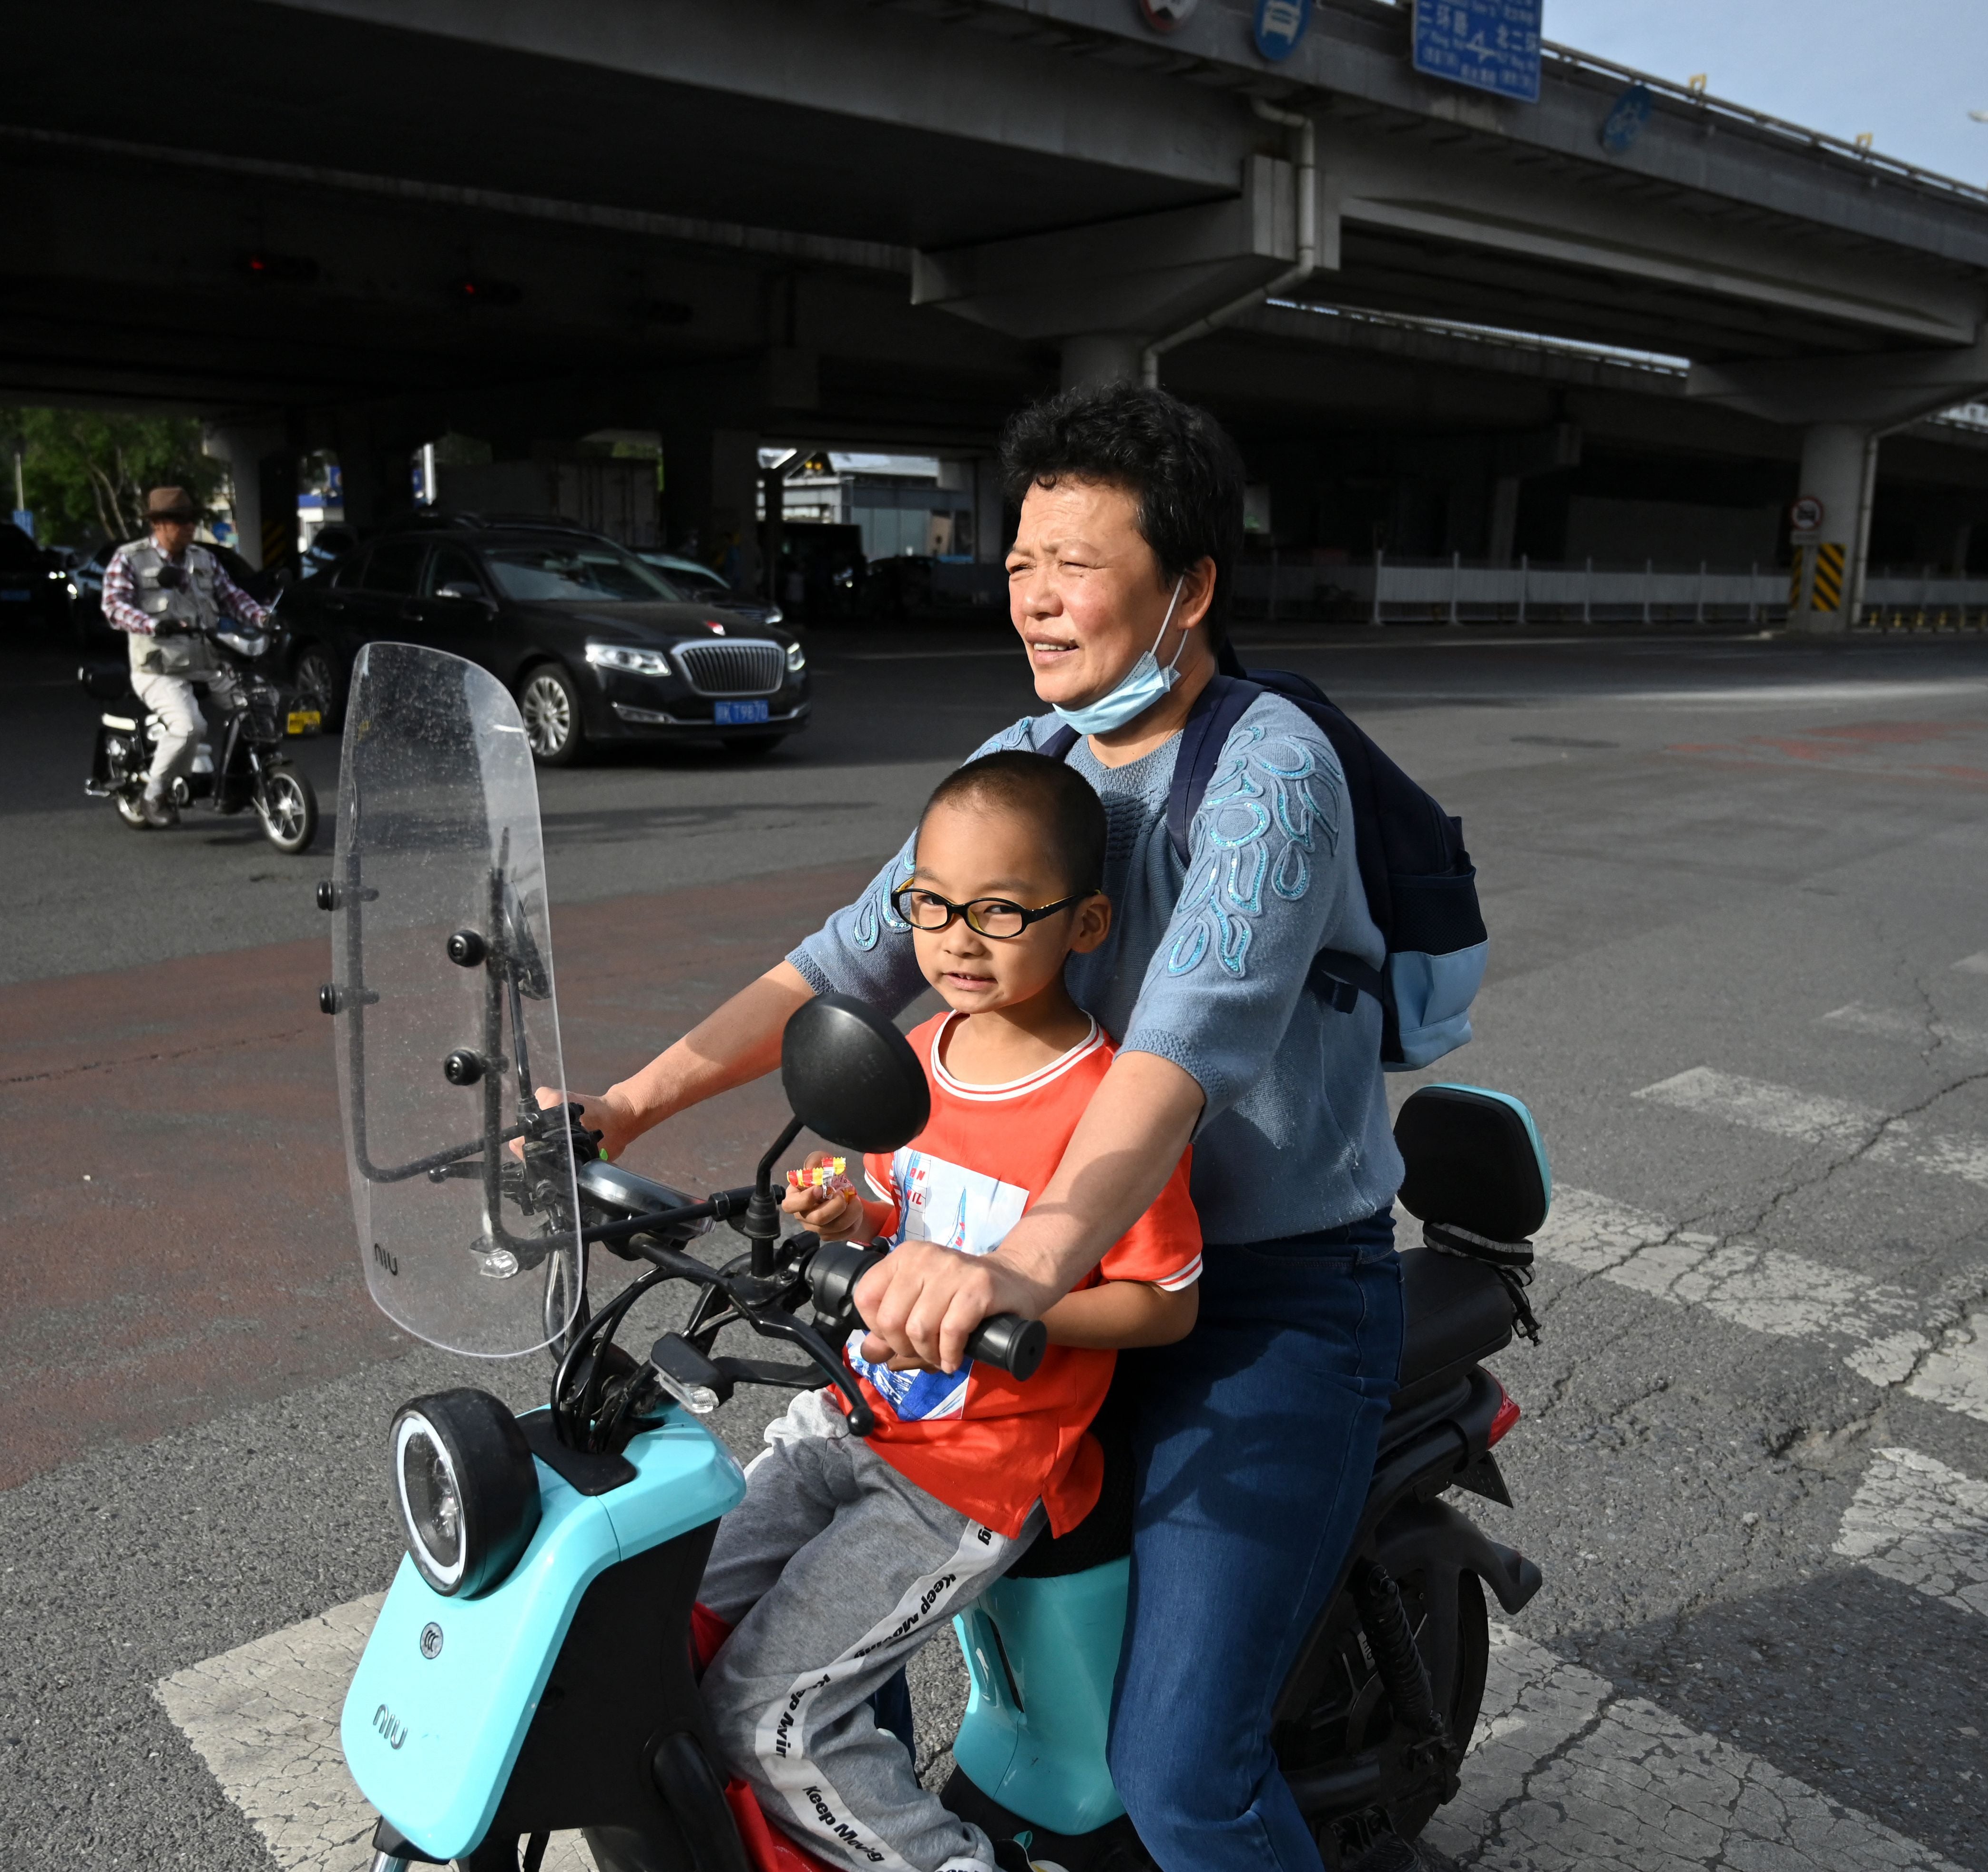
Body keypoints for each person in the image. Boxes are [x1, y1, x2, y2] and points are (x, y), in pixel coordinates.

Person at [582, 382, 1411, 1872]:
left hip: (1263, 1301)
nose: (1035, 598)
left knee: (1180, 1771)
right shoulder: (1035, 755)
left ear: (1187, 589)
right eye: (1020, 559)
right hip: (1030, 1281)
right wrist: (623, 1101)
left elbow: (1176, 1058)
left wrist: (1021, 1268)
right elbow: (852, 957)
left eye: (1077, 565)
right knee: (787, 1600)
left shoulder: (1271, 774)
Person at [697, 752, 1203, 1872]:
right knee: (663, 1619)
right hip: (846, 1415)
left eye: (999, 910)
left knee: (766, 1715)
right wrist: (841, 1213)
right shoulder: (916, 1057)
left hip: (967, 1473)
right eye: (929, 904)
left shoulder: (1110, 1103)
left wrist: (1018, 1311)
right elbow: (892, 1206)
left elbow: (1163, 1304)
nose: (957, 937)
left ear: (1085, 923)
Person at [100, 486, 271, 827]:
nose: (189, 526)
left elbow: (231, 596)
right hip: (157, 668)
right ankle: (155, 794)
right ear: (159, 524)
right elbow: (113, 606)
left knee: (261, 704)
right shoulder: (130, 558)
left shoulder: (204, 560)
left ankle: (235, 786)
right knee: (190, 726)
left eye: (192, 519)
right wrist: (152, 624)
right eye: (180, 520)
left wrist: (262, 617)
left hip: (205, 663)